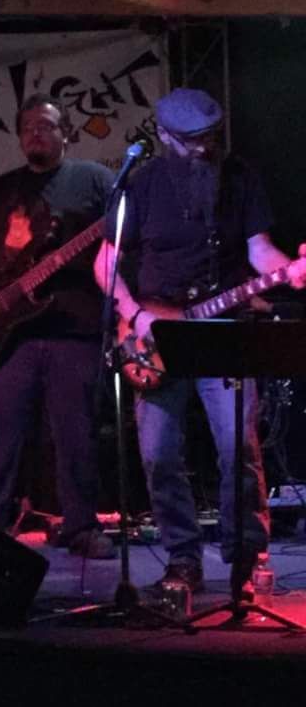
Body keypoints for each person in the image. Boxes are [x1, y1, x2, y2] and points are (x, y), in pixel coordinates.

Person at [94, 87, 306, 595]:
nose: (204, 148)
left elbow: (259, 251)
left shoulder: (240, 178)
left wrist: (293, 272)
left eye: (211, 137)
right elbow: (105, 264)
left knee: (238, 447)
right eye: (191, 140)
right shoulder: (140, 186)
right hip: (154, 335)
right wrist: (135, 315)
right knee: (159, 454)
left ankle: (246, 559)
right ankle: (182, 559)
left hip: (223, 329)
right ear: (163, 135)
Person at [0, 92, 116, 558]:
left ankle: (80, 526)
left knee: (76, 435)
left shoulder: (95, 180)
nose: (35, 134)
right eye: (27, 128)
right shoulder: (0, 191)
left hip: (73, 329)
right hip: (6, 332)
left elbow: (126, 233)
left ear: (67, 133)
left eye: (45, 125)